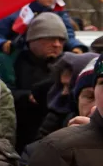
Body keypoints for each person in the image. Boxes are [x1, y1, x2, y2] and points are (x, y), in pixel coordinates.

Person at [9, 11, 69, 148]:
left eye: (61, 40)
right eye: (51, 39)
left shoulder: (67, 65)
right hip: (23, 133)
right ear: (33, 40)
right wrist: (26, 96)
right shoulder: (14, 61)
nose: (57, 45)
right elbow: (3, 93)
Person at [0, 0, 80, 58]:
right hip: (19, 58)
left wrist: (75, 46)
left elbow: (68, 35)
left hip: (53, 59)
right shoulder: (15, 12)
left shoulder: (59, 13)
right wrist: (2, 44)